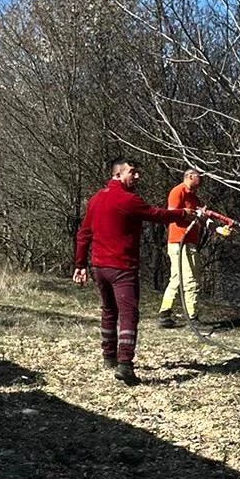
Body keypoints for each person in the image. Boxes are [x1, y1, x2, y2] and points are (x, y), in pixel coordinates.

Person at [73, 159, 196, 385]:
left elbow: (83, 234)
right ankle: (125, 364)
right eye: (133, 172)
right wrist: (182, 214)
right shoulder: (128, 200)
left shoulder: (95, 199)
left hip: (99, 267)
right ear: (118, 174)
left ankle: (108, 356)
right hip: (122, 268)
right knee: (129, 314)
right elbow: (157, 215)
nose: (137, 176)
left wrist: (80, 264)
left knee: (109, 311)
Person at [158, 169, 204, 328]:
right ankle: (192, 317)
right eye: (199, 176)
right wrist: (187, 214)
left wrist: (219, 229)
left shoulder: (195, 198)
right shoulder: (178, 191)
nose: (202, 179)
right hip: (179, 242)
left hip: (189, 242)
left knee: (177, 277)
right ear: (190, 176)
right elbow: (171, 214)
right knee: (190, 278)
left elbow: (203, 218)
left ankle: (165, 313)